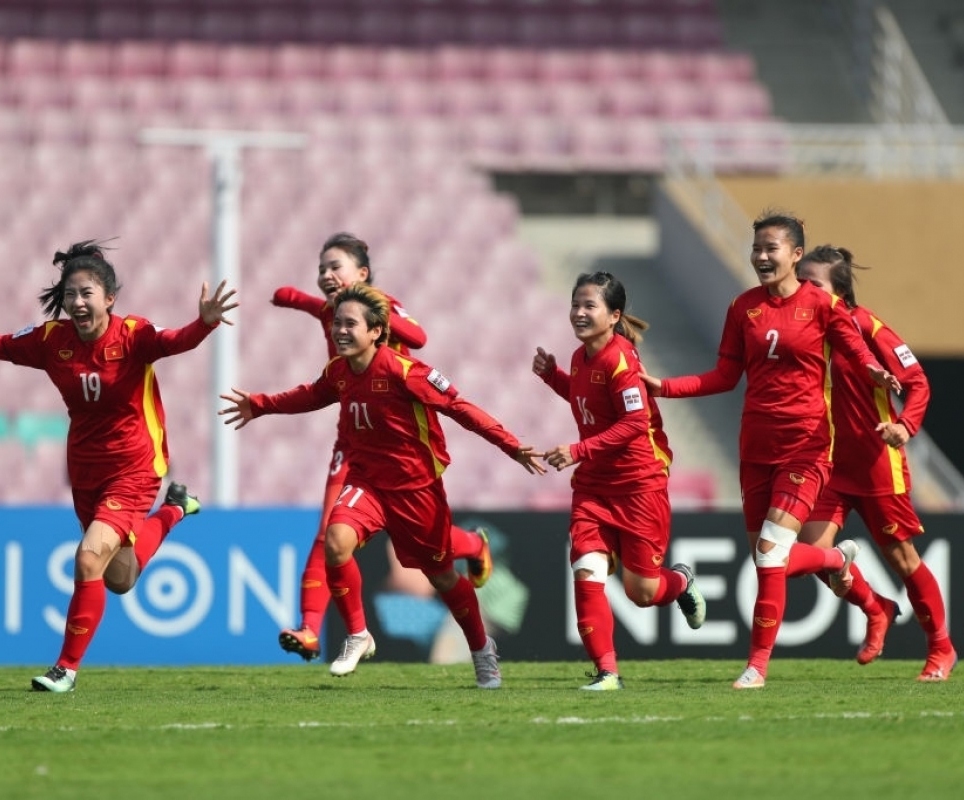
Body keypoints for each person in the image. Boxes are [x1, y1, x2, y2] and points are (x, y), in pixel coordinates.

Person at [0, 240, 238, 692]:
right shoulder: (52, 341)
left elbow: (174, 341)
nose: (77, 303)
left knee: (87, 557)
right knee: (119, 578)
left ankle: (64, 669)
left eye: (87, 293)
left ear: (109, 298)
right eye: (70, 295)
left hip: (136, 467)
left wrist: (203, 324)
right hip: (86, 471)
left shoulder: (133, 334)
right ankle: (177, 509)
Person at [220, 283, 545, 688]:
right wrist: (261, 404)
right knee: (335, 541)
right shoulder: (339, 372)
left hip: (416, 490)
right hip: (367, 483)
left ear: (376, 331)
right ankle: (358, 635)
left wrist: (512, 446)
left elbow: (462, 408)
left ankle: (482, 650)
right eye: (337, 322)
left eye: (350, 324)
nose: (340, 330)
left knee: (442, 577)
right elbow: (310, 395)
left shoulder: (406, 372)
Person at [641, 211, 900, 689]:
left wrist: (873, 372)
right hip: (755, 449)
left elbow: (854, 348)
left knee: (769, 553)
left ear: (796, 255)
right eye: (757, 248)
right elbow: (723, 375)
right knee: (770, 563)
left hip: (806, 447)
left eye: (771, 248)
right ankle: (851, 577)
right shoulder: (743, 308)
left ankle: (756, 666)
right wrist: (665, 387)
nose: (761, 256)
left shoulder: (821, 304)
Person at [270, 232, 493, 663]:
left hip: (401, 443)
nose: (326, 275)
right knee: (330, 532)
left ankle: (473, 545)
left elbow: (419, 337)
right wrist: (292, 297)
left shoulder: (377, 308)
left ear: (363, 275)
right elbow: (308, 304)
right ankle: (311, 628)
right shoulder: (333, 313)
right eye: (321, 269)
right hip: (353, 438)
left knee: (431, 549)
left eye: (335, 266)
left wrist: (375, 308)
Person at [533, 271, 707, 691]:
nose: (578, 312)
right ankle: (607, 672)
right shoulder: (580, 357)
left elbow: (634, 422)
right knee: (586, 568)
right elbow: (588, 401)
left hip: (638, 485)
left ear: (613, 316)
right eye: (575, 303)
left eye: (589, 305)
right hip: (594, 486)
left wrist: (576, 451)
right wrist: (553, 376)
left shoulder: (621, 359)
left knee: (642, 593)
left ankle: (681, 581)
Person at [796, 245, 957, 681]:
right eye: (801, 282)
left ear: (839, 292)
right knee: (814, 556)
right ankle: (876, 605)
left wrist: (905, 426)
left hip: (875, 464)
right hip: (827, 464)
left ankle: (941, 648)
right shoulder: (802, 331)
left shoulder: (866, 326)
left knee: (903, 559)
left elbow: (917, 380)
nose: (803, 291)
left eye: (813, 284)